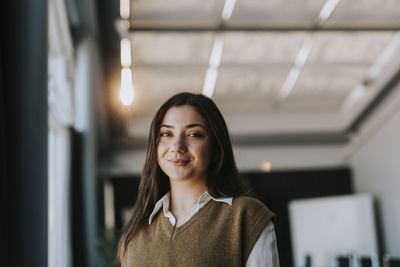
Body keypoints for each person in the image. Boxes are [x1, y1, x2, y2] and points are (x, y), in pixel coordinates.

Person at [116, 92, 279, 267]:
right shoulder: (135, 232)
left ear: (216, 149)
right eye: (166, 134)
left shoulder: (245, 216)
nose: (177, 146)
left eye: (194, 134)